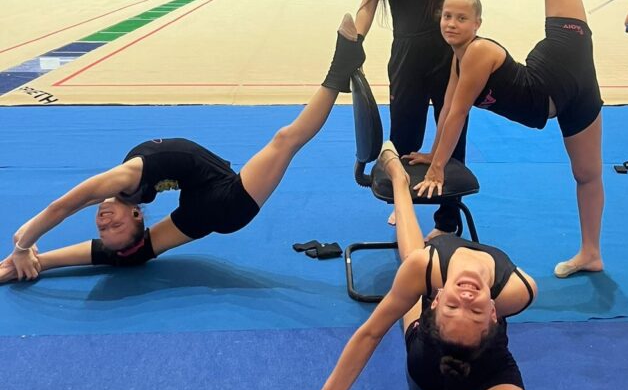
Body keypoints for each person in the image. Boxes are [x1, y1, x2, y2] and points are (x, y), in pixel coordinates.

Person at [285, 140, 538, 390]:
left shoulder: (459, 280)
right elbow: (369, 334)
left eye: (469, 309)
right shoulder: (514, 290)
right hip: (434, 360)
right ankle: (400, 181)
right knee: (412, 262)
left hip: (480, 370)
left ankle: (400, 182)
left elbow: (374, 331)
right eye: (464, 307)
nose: (466, 298)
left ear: (493, 313)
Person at [0, 17, 365, 282]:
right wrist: (22, 246)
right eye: (115, 225)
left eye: (103, 227)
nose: (104, 221)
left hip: (198, 206)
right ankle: (340, 67)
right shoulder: (126, 182)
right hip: (227, 201)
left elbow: (66, 209)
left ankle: (32, 266)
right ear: (137, 216)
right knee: (286, 140)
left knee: (133, 255)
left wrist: (30, 256)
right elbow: (61, 208)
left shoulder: (122, 185)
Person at [406, 0, 604, 280]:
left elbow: (458, 113)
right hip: (572, 94)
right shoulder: (459, 59)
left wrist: (438, 168)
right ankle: (591, 253)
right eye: (447, 17)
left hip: (562, 63)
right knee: (586, 174)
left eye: (461, 19)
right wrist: (433, 152)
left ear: (477, 23)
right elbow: (447, 109)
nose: (452, 24)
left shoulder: (477, 52)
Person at [355, 0, 555, 239]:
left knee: (453, 131)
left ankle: (447, 220)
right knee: (403, 136)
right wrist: (354, 43)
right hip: (405, 58)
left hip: (447, 59)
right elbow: (368, 5)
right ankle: (403, 201)